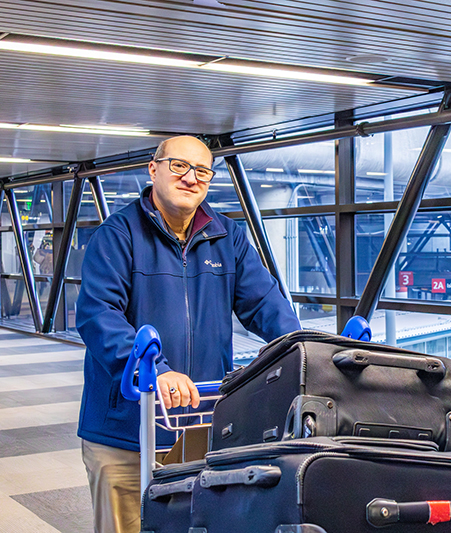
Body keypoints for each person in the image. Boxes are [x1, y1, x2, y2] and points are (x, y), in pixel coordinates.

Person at [76, 135, 301, 533]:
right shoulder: (117, 235)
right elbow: (98, 315)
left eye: (201, 171)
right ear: (154, 168)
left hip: (200, 425)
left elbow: (265, 303)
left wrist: (302, 349)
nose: (190, 178)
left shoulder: (226, 237)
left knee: (197, 523)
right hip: (125, 429)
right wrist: (156, 370)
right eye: (179, 166)